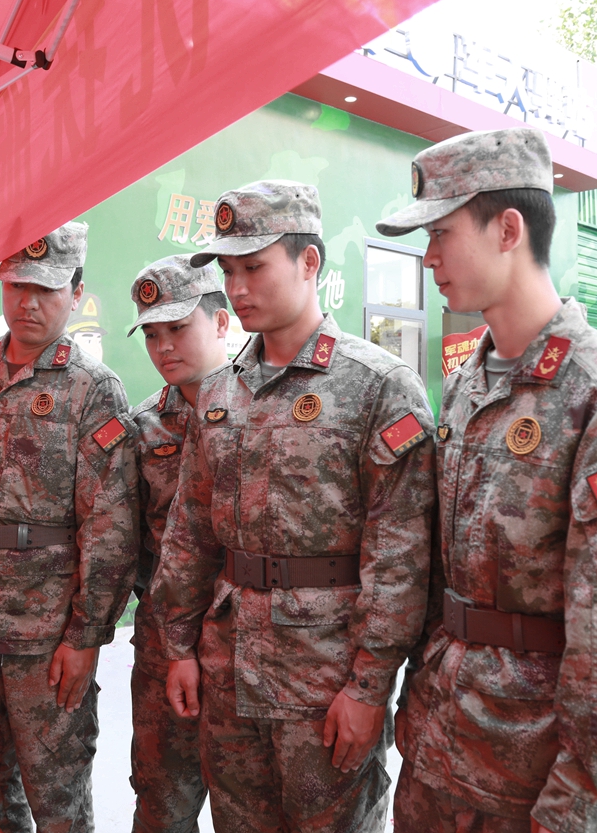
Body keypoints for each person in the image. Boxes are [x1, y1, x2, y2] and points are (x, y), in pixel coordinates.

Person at [378, 129, 597, 833]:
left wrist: (574, 808)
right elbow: (438, 577)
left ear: (508, 230)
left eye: (441, 233)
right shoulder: (465, 385)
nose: (428, 257)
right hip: (435, 750)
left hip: (529, 777)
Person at [154, 181, 436, 832]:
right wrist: (179, 644)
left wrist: (368, 687)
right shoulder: (219, 392)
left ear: (309, 262)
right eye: (228, 272)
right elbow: (190, 532)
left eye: (254, 267)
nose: (237, 287)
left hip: (325, 683)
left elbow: (400, 558)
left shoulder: (378, 386)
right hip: (229, 673)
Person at [0, 223, 139, 833]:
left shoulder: (93, 390)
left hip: (46, 639)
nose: (28, 303)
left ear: (76, 292)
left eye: (46, 289)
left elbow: (111, 528)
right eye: (17, 286)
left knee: (57, 800)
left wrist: (86, 637)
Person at [126, 255, 230, 833]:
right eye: (151, 334)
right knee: (161, 800)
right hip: (163, 648)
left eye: (178, 328)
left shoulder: (263, 411)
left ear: (221, 322)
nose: (164, 346)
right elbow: (124, 540)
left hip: (251, 644)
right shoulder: (142, 427)